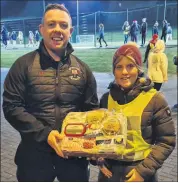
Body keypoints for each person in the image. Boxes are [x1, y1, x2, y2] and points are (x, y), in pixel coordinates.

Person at [3, 4, 99, 182]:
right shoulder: (22, 66)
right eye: (51, 24)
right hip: (34, 156)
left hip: (74, 159)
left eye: (63, 26)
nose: (57, 30)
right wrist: (45, 134)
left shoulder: (83, 70)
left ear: (71, 31)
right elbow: (11, 107)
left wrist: (94, 146)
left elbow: (91, 111)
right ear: (41, 29)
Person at [98, 42, 176, 182]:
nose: (125, 72)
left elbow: (166, 141)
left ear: (138, 69)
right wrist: (99, 159)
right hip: (109, 174)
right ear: (114, 70)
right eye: (119, 67)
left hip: (140, 174)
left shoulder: (155, 99)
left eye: (130, 66)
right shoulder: (106, 99)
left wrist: (144, 171)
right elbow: (100, 136)